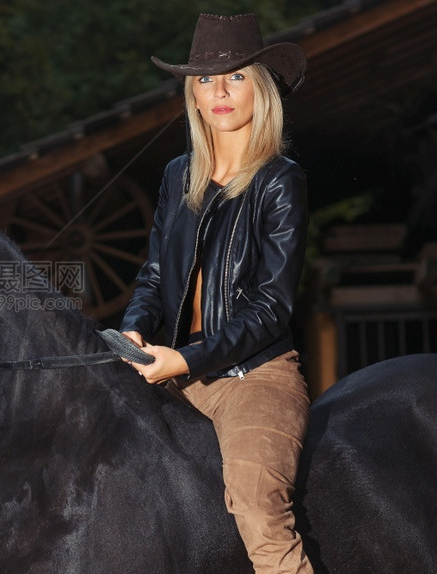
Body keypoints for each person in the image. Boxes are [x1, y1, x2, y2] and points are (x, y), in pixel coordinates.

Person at [120, 13, 313, 574]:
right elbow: (154, 274)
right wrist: (135, 326)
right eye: (205, 80)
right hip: (179, 372)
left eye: (235, 76)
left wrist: (187, 355)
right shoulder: (179, 174)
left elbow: (272, 306)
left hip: (255, 378)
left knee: (259, 515)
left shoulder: (280, 180)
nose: (219, 91)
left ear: (262, 88)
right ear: (193, 96)